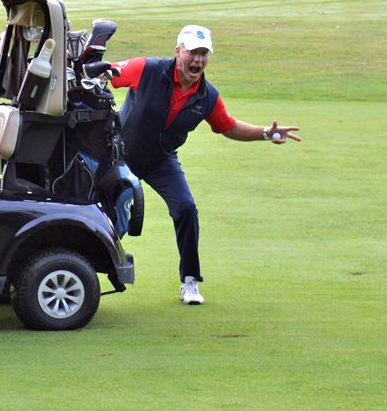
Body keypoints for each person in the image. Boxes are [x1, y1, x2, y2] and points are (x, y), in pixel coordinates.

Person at [109, 24, 300, 305]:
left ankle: (190, 281)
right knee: (99, 208)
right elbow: (108, 72)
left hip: (161, 161)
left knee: (186, 208)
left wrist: (265, 133)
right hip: (121, 153)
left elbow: (228, 127)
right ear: (178, 52)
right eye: (193, 53)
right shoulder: (146, 69)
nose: (198, 60)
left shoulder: (207, 96)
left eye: (204, 54)